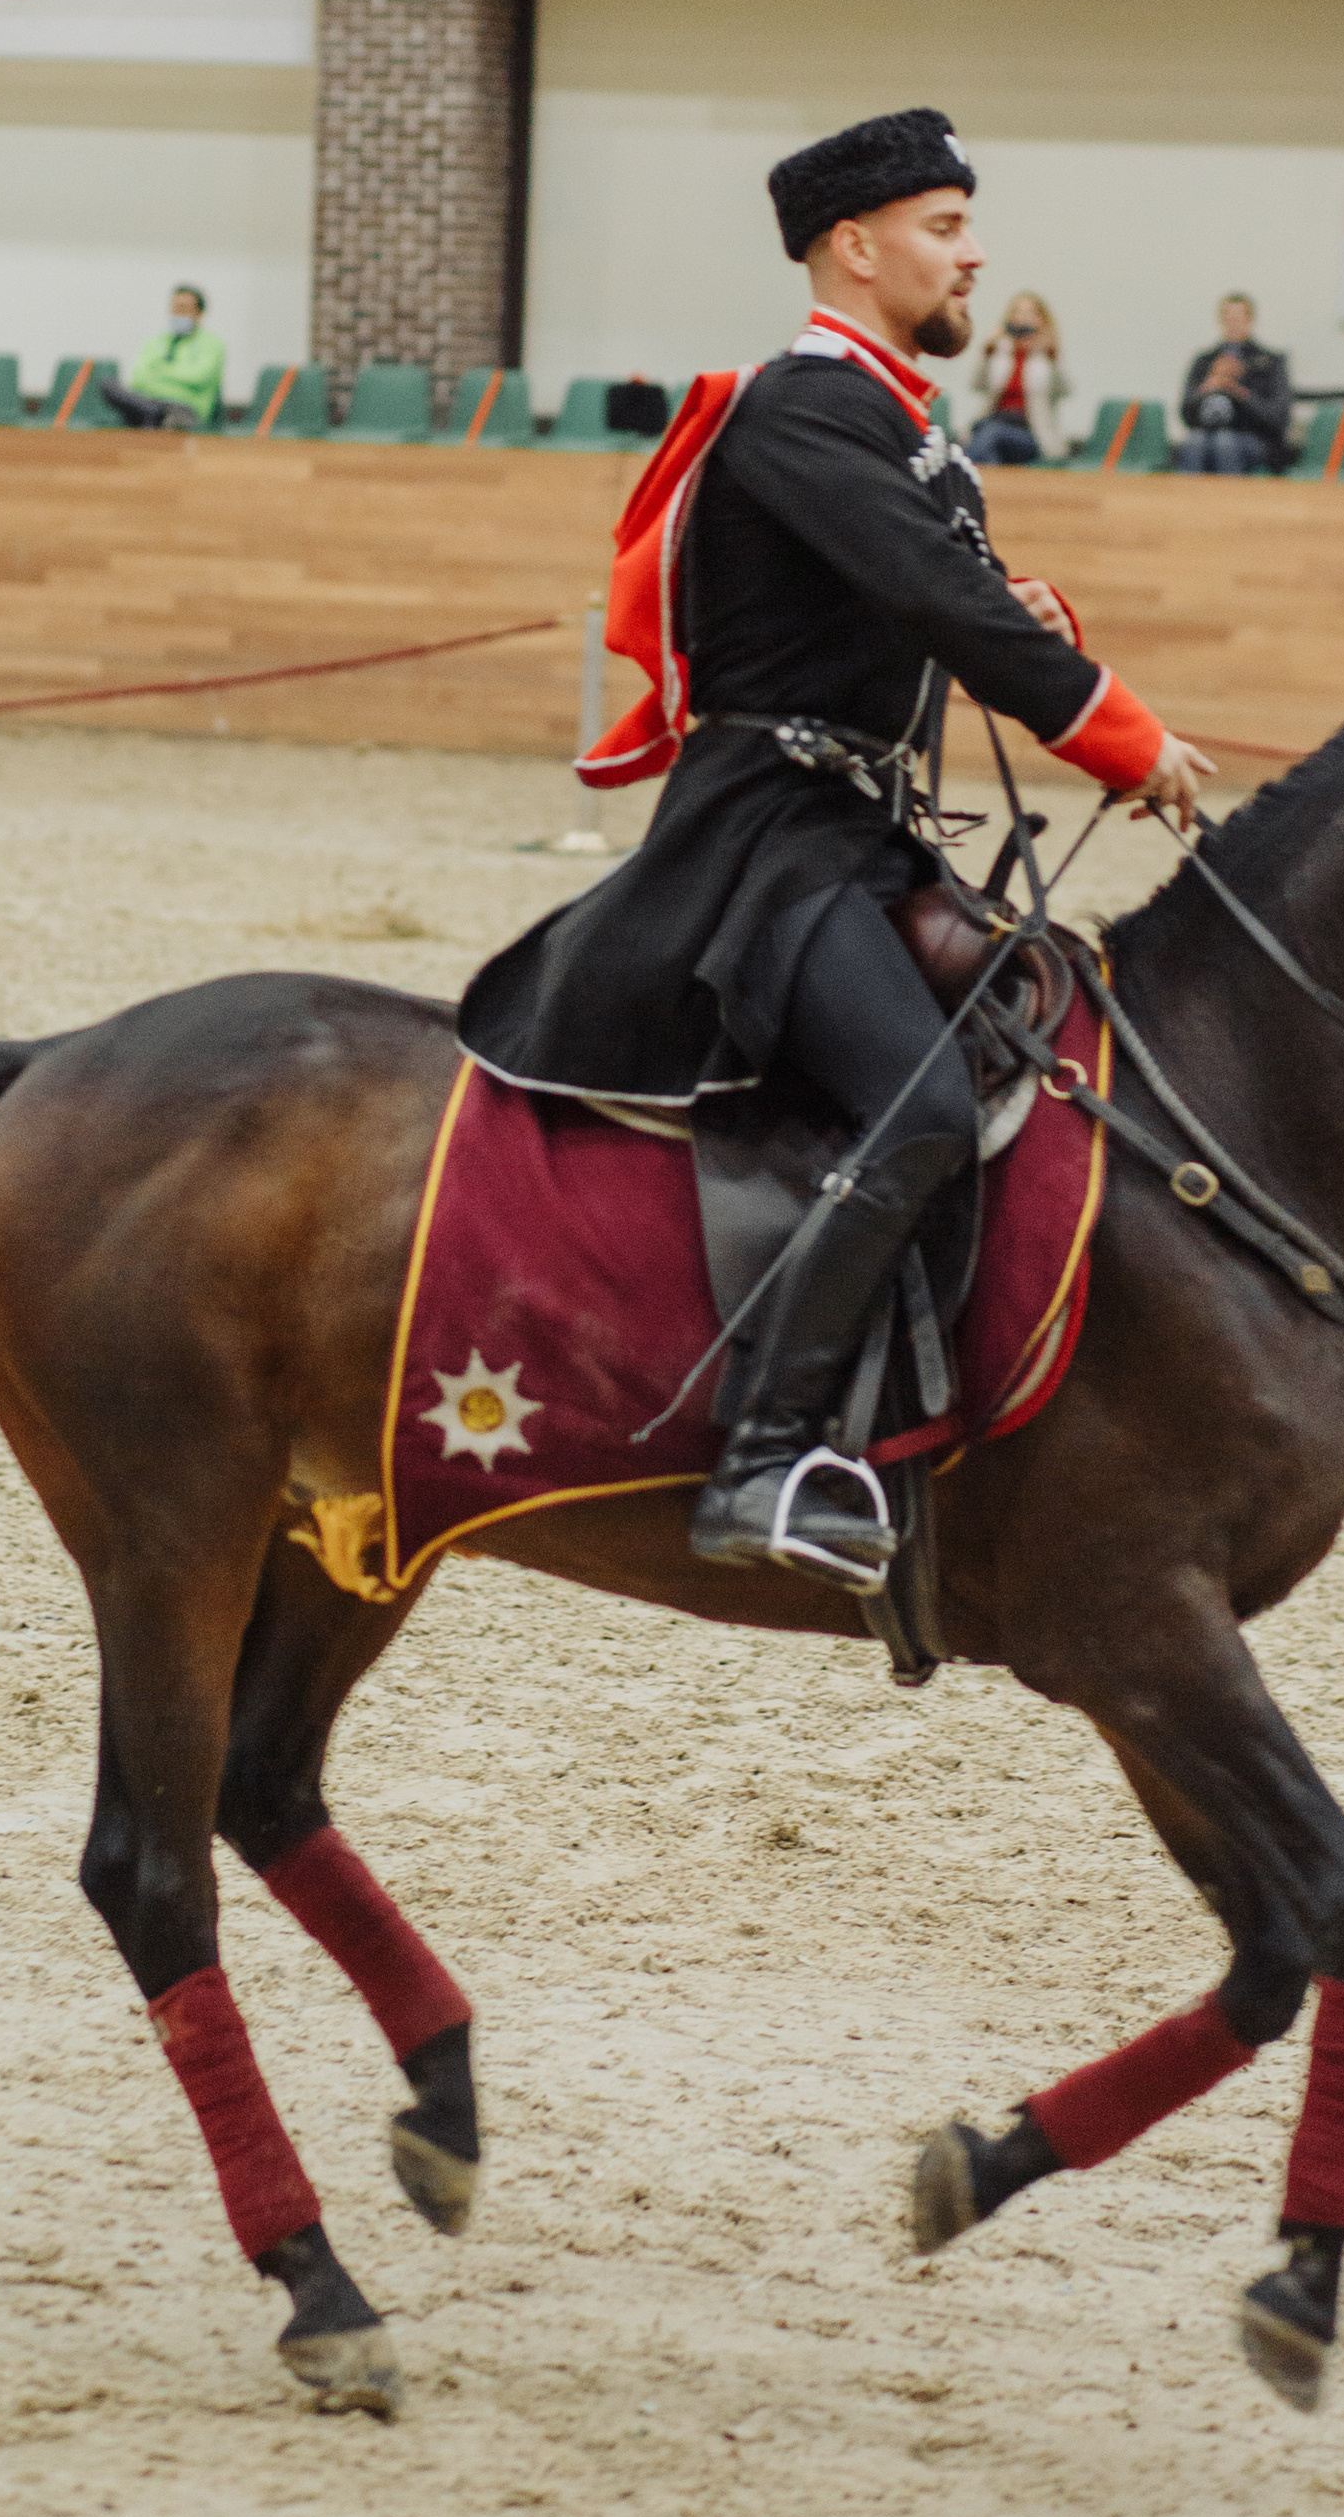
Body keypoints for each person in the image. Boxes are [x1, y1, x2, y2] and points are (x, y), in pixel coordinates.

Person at [457, 108, 1211, 1593]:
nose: (974, 253)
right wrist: (1118, 731)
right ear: (855, 248)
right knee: (923, 1114)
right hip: (771, 842)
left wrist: (1014, 604)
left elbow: (913, 599)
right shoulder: (806, 409)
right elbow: (937, 598)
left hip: (855, 827)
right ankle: (764, 1458)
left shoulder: (893, 417)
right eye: (944, 228)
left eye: (968, 227)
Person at [1174, 294, 1291, 473]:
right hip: (1205, 435)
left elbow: (1277, 419)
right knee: (1194, 441)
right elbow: (1185, 415)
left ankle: (1230, 499)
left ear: (1250, 320)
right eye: (1227, 318)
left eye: (1238, 318)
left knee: (1224, 442)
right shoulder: (1204, 361)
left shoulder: (1270, 362)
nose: (1232, 324)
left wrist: (1237, 391)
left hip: (1256, 440)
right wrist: (1208, 387)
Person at [964, 291, 1072, 466]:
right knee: (990, 448)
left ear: (1042, 319)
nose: (1022, 318)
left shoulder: (1047, 356)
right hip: (993, 422)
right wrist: (986, 355)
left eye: (1029, 313)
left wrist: (1054, 358)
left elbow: (1065, 391)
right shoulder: (1000, 352)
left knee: (991, 434)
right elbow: (976, 385)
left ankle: (965, 478)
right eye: (1017, 312)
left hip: (1030, 432)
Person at [102, 284, 225, 433]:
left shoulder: (212, 344)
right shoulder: (155, 341)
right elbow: (139, 378)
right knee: (108, 385)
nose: (178, 313)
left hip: (185, 407)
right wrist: (176, 374)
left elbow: (198, 377)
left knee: (168, 416)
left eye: (184, 308)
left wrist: (159, 370)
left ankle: (152, 413)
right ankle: (151, 411)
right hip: (147, 401)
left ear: (199, 313)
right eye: (175, 308)